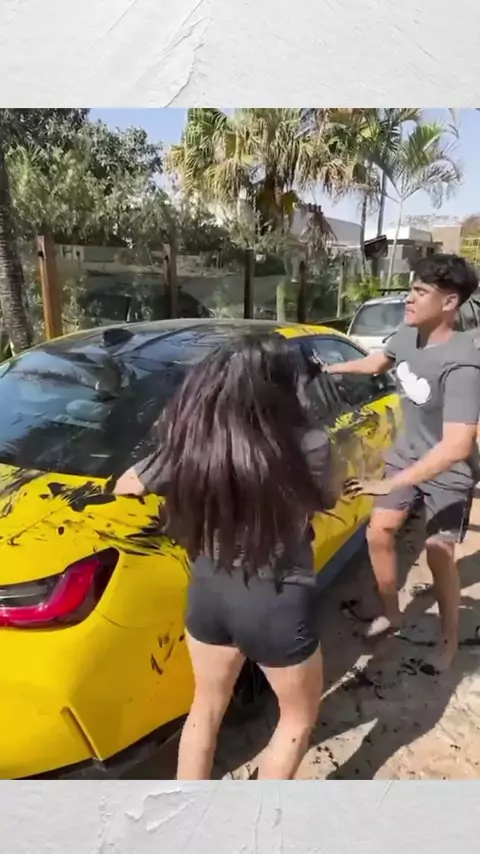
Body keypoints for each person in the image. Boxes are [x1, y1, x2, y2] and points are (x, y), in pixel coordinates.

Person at [114, 334, 345, 780]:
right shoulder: (309, 442)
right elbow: (328, 498)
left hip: (209, 589)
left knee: (205, 708)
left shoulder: (195, 445)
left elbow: (127, 485)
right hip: (276, 598)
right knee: (295, 720)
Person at [326, 253, 480, 670]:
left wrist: (390, 484)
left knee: (437, 552)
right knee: (379, 532)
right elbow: (378, 362)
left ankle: (448, 641)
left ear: (449, 302)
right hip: (407, 455)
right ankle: (392, 614)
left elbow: (457, 445)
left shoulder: (463, 364)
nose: (408, 298)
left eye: (420, 292)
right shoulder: (407, 334)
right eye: (412, 288)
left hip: (448, 471)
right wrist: (332, 367)